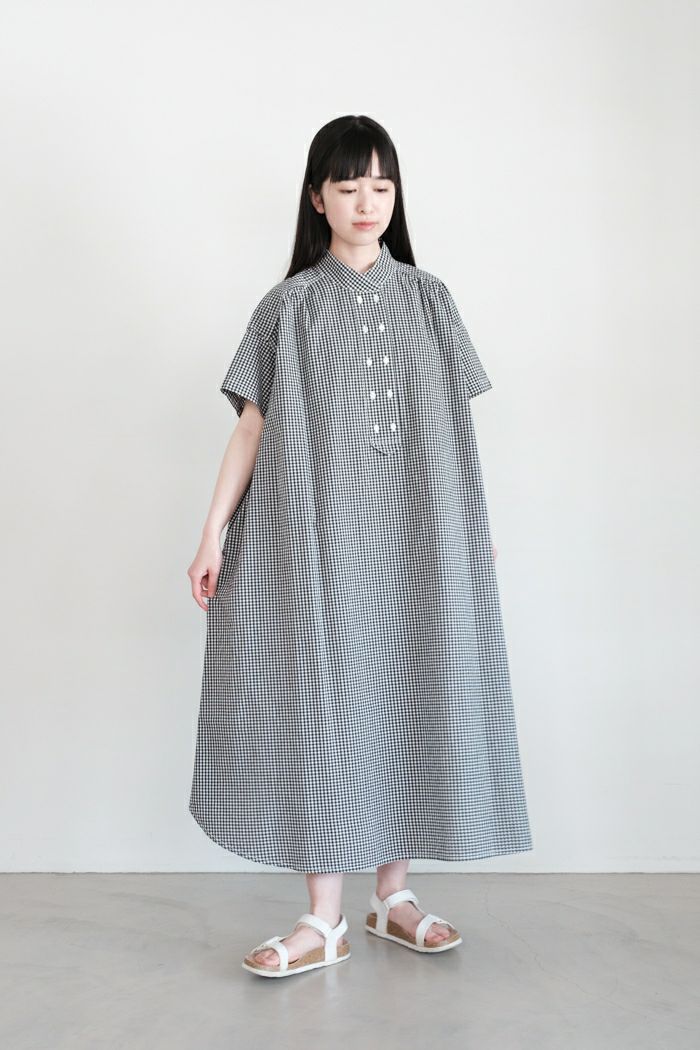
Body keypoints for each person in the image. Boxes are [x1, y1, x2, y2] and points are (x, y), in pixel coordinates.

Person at [187, 115, 533, 978]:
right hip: (312, 537)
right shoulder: (288, 307)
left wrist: (473, 532)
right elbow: (251, 427)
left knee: (410, 686)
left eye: (381, 186)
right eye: (348, 186)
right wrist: (212, 532)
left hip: (417, 534)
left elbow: (453, 432)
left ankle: (394, 899)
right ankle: (324, 918)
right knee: (321, 704)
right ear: (318, 198)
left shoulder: (430, 298)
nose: (367, 202)